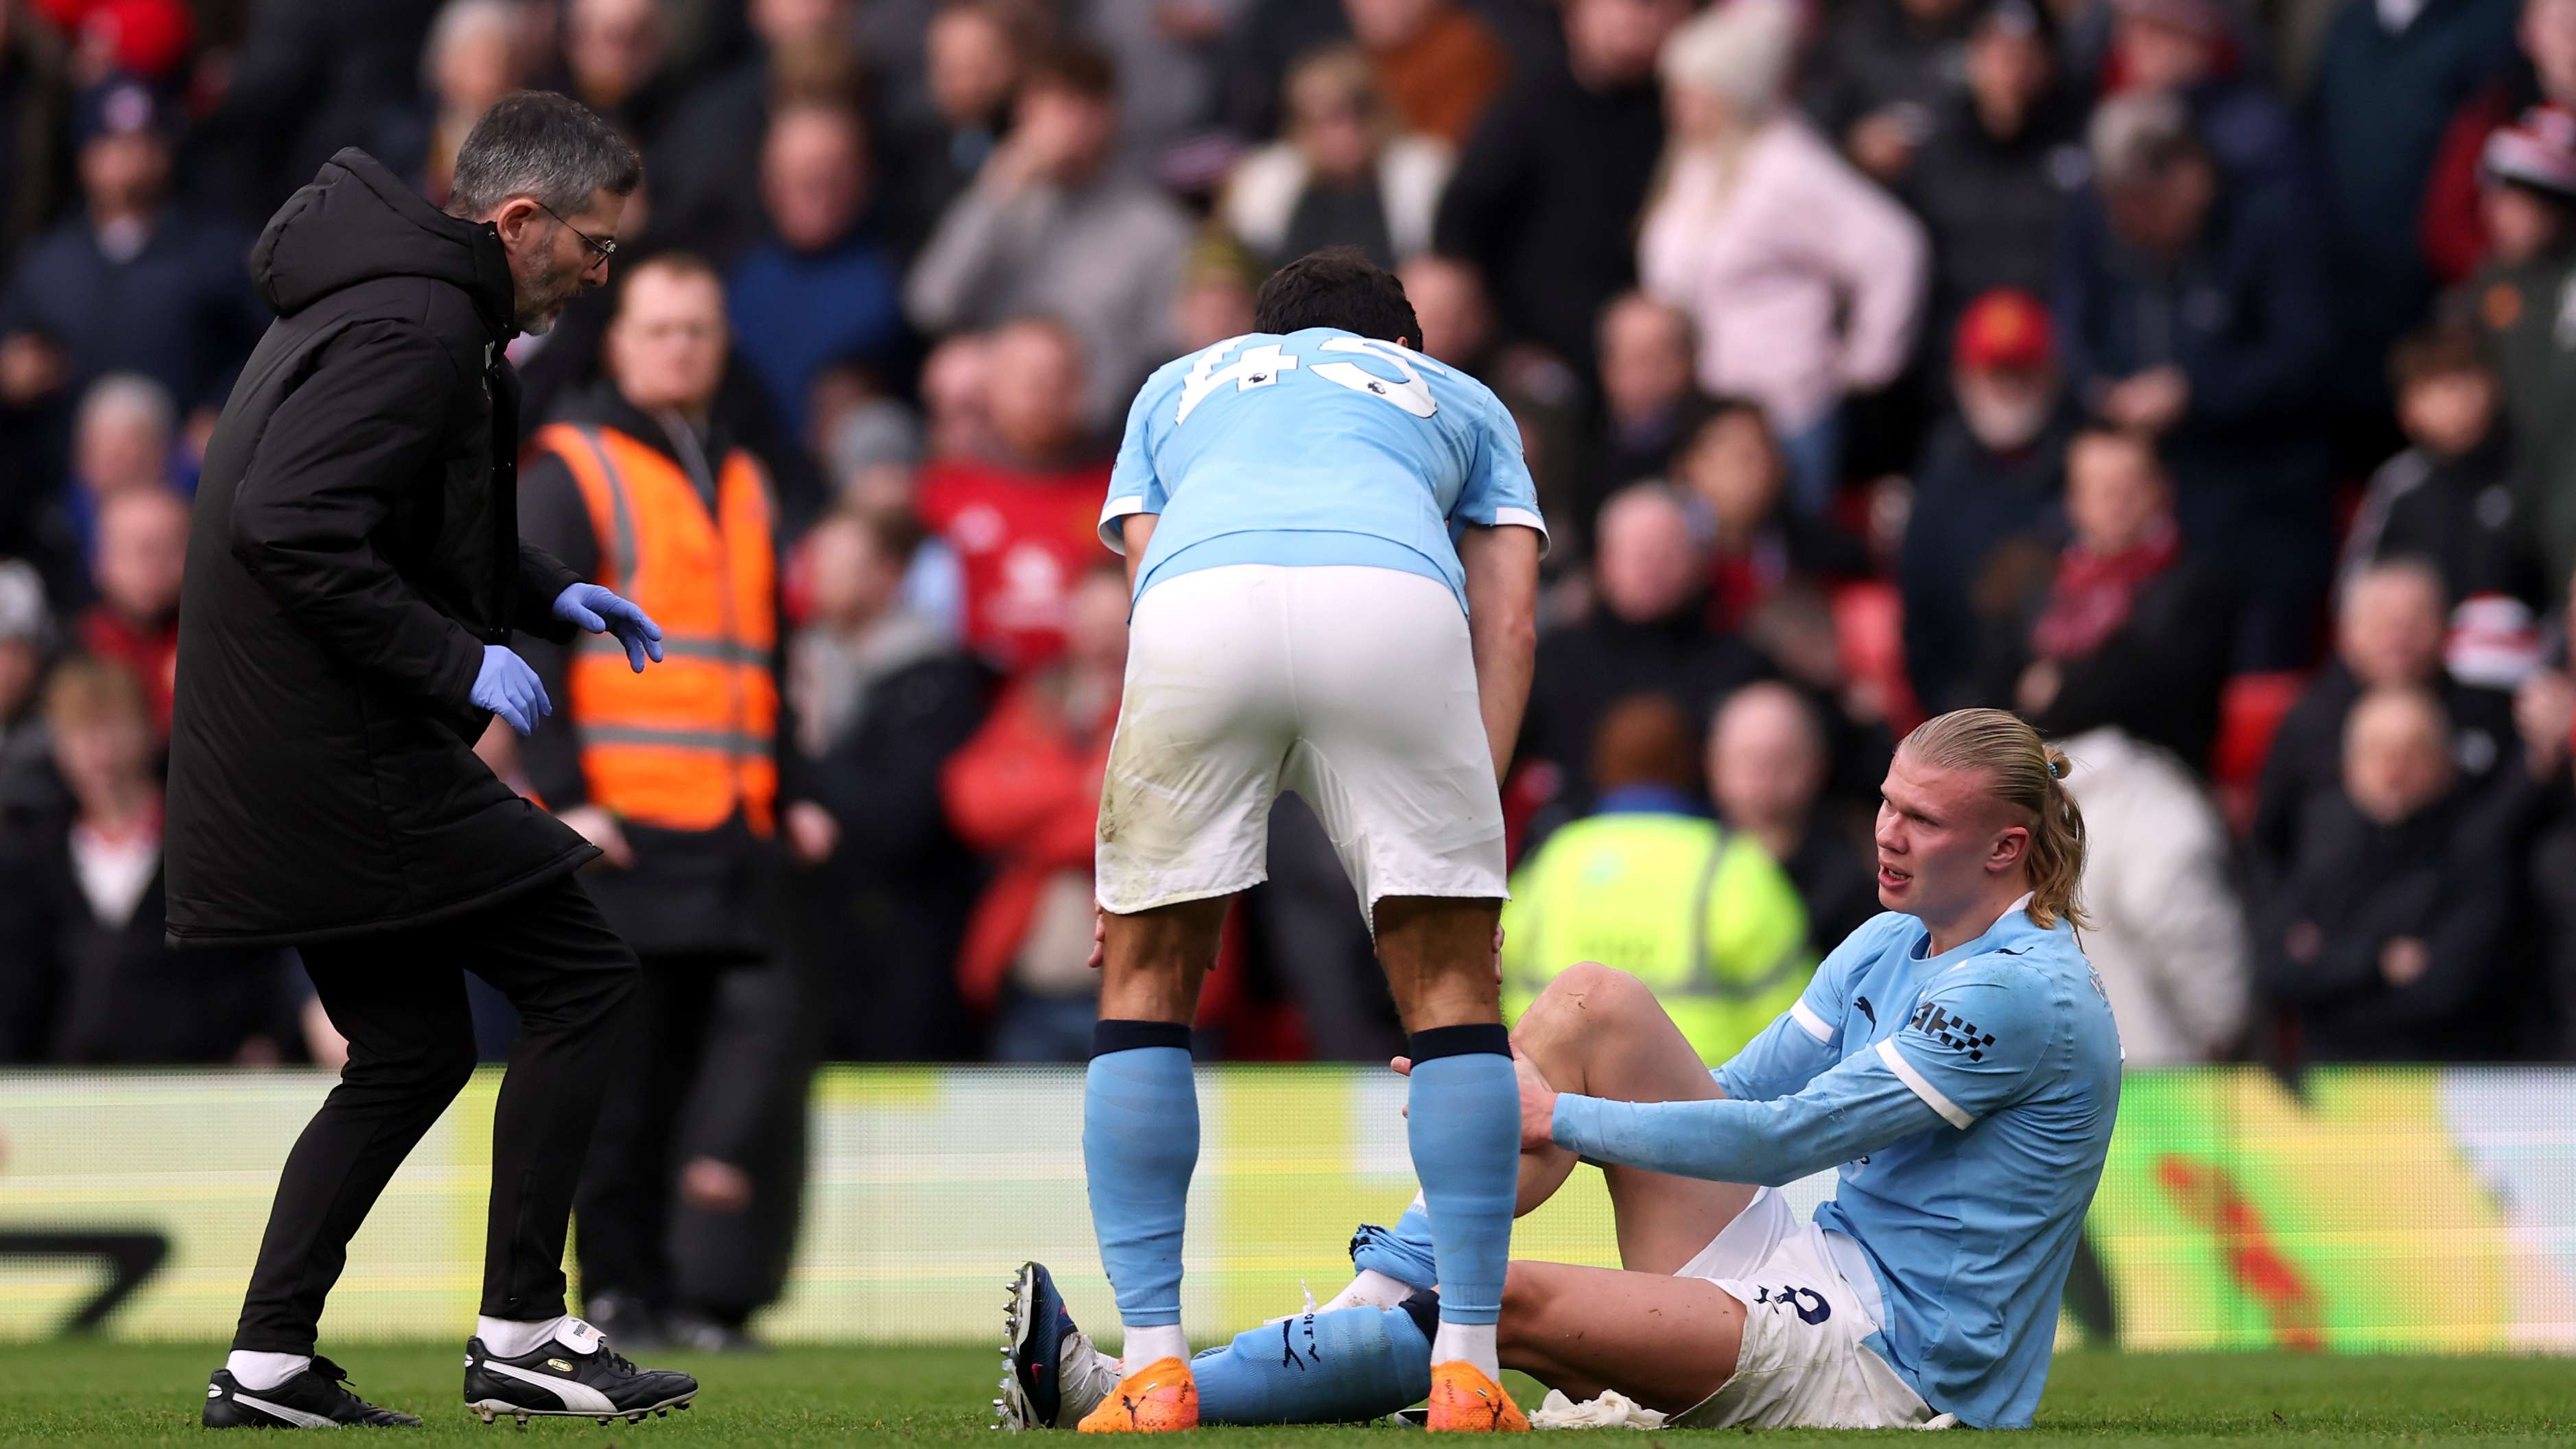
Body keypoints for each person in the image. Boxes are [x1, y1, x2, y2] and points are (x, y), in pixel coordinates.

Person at [1004, 707, 2119, 1433]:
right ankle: (1377, 1298)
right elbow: (1742, 1094)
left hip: (1891, 1369)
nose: (1885, 831)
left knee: (1506, 1303)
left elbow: (1788, 1140)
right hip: (1811, 1255)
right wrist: (1520, 1100)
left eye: (1920, 819)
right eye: (1884, 799)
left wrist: (1556, 1114)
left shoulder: (2018, 990)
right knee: (1593, 999)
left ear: (2005, 847)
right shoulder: (1893, 934)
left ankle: (1139, 1396)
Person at [169, 94, 696, 1429]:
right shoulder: (418, 326)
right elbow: (289, 526)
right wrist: (454, 662)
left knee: (407, 1053)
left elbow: (381, 519)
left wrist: (541, 592)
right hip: (338, 755)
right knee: (583, 978)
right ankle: (523, 1329)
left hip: (279, 753)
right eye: (593, 243)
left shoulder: (378, 303)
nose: (602, 268)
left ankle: (269, 1364)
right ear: (519, 223)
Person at [1080, 247, 1546, 1429]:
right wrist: (1464, 837)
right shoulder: (1461, 398)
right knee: (1449, 992)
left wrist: (1127, 866)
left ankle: (1150, 1367)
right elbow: (1511, 614)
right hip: (1391, 603)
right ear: (1405, 345)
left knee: (1144, 988)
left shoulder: (1177, 385)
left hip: (1196, 611)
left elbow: (1150, 597)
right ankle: (1470, 1370)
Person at [514, 251, 801, 1353]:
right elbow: (533, 636)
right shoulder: (574, 464)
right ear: (619, 340)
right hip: (623, 828)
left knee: (688, 1079)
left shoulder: (737, 468)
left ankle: (669, 1288)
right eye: (661, 328)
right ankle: (613, 1289)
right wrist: (572, 796)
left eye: (699, 329)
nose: (682, 346)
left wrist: (794, 789)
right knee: (621, 1082)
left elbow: (764, 652)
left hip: (723, 821)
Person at [2055, 93, 2335, 669]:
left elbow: (2307, 360)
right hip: (2152, 518)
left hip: (2260, 509)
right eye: (2115, 207)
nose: (2125, 224)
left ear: (2189, 176)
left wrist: (2194, 391)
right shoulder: (2106, 230)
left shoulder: (2271, 225)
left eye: (2140, 205)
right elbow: (2074, 328)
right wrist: (2099, 389)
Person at [1640, 0, 1928, 513]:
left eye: (1692, 92)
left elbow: (1892, 248)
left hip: (1787, 414)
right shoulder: (1694, 160)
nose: (1676, 106)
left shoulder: (1784, 164)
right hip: (1711, 413)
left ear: (1731, 92)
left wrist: (1866, 364)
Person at [0, 657, 304, 1064]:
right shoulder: (34, 858)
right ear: (59, 744)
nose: (100, 750)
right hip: (68, 1095)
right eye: (82, 731)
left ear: (150, 729)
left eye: (113, 726)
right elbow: (18, 988)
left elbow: (255, 963)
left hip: (198, 1084)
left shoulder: (209, 844)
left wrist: (268, 1036)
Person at [1499, 694, 1812, 1064]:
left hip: (1556, 1096)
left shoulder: (1551, 859)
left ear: (1600, 767)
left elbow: (1498, 969)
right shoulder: (1732, 864)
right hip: (1699, 1103)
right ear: (1695, 767)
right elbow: (1799, 1022)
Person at [783, 506, 985, 1060]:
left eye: (840, 564)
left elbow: (901, 818)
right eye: (815, 561)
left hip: (903, 944)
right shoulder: (798, 664)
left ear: (889, 576)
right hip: (814, 938)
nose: (818, 576)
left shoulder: (931, 676)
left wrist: (817, 747)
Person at [905, 41, 1194, 427]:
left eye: (1079, 108)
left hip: (1101, 425)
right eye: (1052, 108)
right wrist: (996, 193)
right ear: (1024, 114)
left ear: (1109, 116)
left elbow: (1169, 354)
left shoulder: (1158, 228)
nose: (1066, 127)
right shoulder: (1003, 204)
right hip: (999, 416)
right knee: (952, 370)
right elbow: (931, 304)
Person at [2253, 686, 2525, 1062]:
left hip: (2443, 1090)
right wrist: (2378, 963)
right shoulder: (2317, 843)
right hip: (2326, 1092)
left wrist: (2329, 962)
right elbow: (2276, 972)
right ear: (2349, 767)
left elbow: (2444, 990)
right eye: (2377, 751)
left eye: (2413, 752)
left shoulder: (2476, 851)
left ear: (2445, 764)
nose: (2393, 769)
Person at [1433, 0, 1694, 377]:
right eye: (1622, 5)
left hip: (1651, 354)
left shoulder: (1682, 109)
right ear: (1575, 14)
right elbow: (1460, 219)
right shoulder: (1530, 104)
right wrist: (1503, 343)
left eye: (1653, 7)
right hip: (1536, 351)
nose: (1636, 19)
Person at [943, 565, 1129, 1060]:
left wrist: (1033, 825)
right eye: (1090, 623)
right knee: (1027, 1135)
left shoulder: (1171, 707)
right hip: (1033, 981)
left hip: (1146, 987)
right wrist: (1082, 791)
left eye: (1118, 623)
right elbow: (973, 802)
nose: (1102, 641)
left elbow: (1146, 829)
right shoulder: (1036, 700)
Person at [1976, 426, 2235, 770]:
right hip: (2037, 770)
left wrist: (2060, 683)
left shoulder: (2195, 585)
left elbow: (2156, 693)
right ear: (2073, 500)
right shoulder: (2035, 578)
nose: (2116, 500)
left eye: (2130, 485)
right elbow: (1990, 683)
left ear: (2161, 489)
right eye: (2099, 488)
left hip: (2149, 775)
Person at [2252, 558, 2516, 882]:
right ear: (2346, 633)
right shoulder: (2308, 724)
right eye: (2382, 622)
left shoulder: (2488, 712)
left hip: (2456, 896)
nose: (2398, 637)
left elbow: (2503, 837)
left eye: (2414, 621)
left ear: (2444, 626)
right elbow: (2268, 844)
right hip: (2336, 907)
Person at [1520, 484, 1771, 809]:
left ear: (1699, 561)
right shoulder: (1556, 660)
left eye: (1666, 552)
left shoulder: (1742, 665)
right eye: (1635, 552)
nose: (1649, 566)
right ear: (1604, 562)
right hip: (1576, 846)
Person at [1902, 290, 2075, 714]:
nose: (2009, 387)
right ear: (1963, 376)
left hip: (2079, 711)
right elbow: (1920, 627)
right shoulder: (1937, 478)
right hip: (1969, 718)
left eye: (2022, 371)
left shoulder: (2088, 462)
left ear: (2051, 372)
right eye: (1995, 372)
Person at [914, 316, 1113, 676]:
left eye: (1063, 379)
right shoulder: (941, 493)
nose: (1048, 392)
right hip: (973, 703)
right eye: (1032, 379)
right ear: (992, 386)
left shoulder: (1118, 493)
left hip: (1092, 699)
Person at [2341, 322, 2542, 681]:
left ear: (2492, 385)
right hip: (2411, 667)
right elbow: (2357, 587)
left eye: (2463, 381)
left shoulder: (2529, 475)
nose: (2454, 400)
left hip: (2512, 666)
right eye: (2433, 388)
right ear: (2407, 409)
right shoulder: (2399, 486)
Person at [2055, 724, 2249, 1062]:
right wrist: (2222, 1027)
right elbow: (2185, 930)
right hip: (2154, 1085)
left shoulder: (2002, 795)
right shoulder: (2150, 804)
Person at [724, 97, 907, 443]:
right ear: (769, 180)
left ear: (864, 177)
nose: (816, 185)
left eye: (833, 170)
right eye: (799, 172)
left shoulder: (898, 282)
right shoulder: (738, 276)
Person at [1219, 45, 1452, 270]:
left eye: (1347, 115)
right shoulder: (1268, 192)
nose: (1340, 133)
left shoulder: (1422, 181)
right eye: (1320, 120)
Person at [1709, 681, 1882, 954]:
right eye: (1748, 760)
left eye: (1784, 761)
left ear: (1817, 765)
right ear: (1714, 764)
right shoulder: (1684, 864)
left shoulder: (1849, 882)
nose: (1765, 781)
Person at [74, 482, 185, 733]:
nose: (154, 566)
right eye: (138, 550)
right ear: (100, 561)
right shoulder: (74, 652)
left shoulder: (219, 646)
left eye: (169, 548)